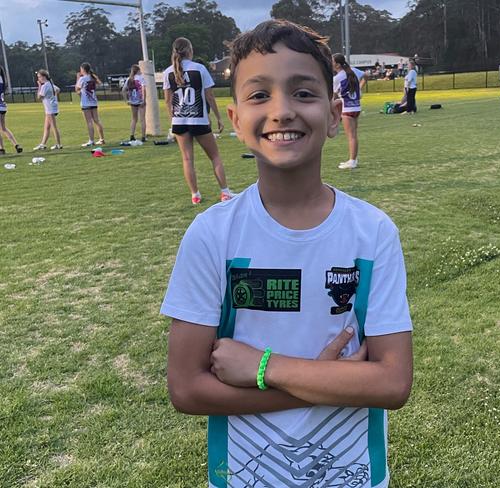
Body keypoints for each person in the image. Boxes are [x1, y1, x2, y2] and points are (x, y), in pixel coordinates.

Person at [162, 19, 413, 488]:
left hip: (353, 475)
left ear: (335, 114)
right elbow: (187, 387)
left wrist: (263, 368)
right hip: (245, 476)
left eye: (303, 93)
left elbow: (392, 383)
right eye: (259, 95)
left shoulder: (373, 232)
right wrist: (325, 383)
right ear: (235, 121)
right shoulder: (212, 235)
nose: (281, 111)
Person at [163, 37, 233, 205]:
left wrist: (172, 120)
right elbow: (209, 96)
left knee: (187, 159)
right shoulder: (199, 69)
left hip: (179, 121)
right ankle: (224, 192)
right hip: (198, 120)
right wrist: (218, 117)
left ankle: (195, 194)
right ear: (189, 50)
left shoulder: (168, 72)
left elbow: (167, 100)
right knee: (215, 156)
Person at [333, 52, 366, 169]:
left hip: (347, 108)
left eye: (332, 62)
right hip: (356, 106)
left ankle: (352, 161)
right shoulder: (353, 72)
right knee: (354, 135)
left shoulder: (337, 78)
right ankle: (353, 159)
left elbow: (334, 96)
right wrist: (359, 89)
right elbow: (364, 75)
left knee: (351, 136)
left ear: (337, 65)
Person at [75, 62, 105, 147]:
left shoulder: (82, 79)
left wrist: (77, 78)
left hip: (85, 102)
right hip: (93, 101)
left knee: (89, 122)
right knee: (97, 120)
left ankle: (91, 140)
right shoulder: (92, 77)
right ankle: (101, 139)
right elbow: (99, 83)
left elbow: (77, 89)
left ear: (83, 70)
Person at [33, 69, 62, 151]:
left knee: (54, 127)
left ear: (43, 77)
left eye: (39, 77)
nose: (38, 79)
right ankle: (43, 144)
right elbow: (58, 90)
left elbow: (39, 97)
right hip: (52, 107)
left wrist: (39, 86)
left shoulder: (45, 85)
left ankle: (58, 144)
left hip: (50, 109)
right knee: (47, 128)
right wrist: (53, 97)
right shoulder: (50, 84)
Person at [0, 66, 23, 155]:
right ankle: (16, 144)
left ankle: (1, 148)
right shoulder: (2, 79)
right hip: (3, 106)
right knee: (3, 128)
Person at [122, 64, 147, 142]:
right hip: (140, 101)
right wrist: (144, 99)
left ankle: (132, 135)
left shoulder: (129, 79)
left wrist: (126, 100)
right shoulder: (141, 78)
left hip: (133, 101)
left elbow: (123, 90)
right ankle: (143, 137)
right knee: (142, 119)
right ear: (138, 70)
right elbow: (143, 89)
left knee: (134, 119)